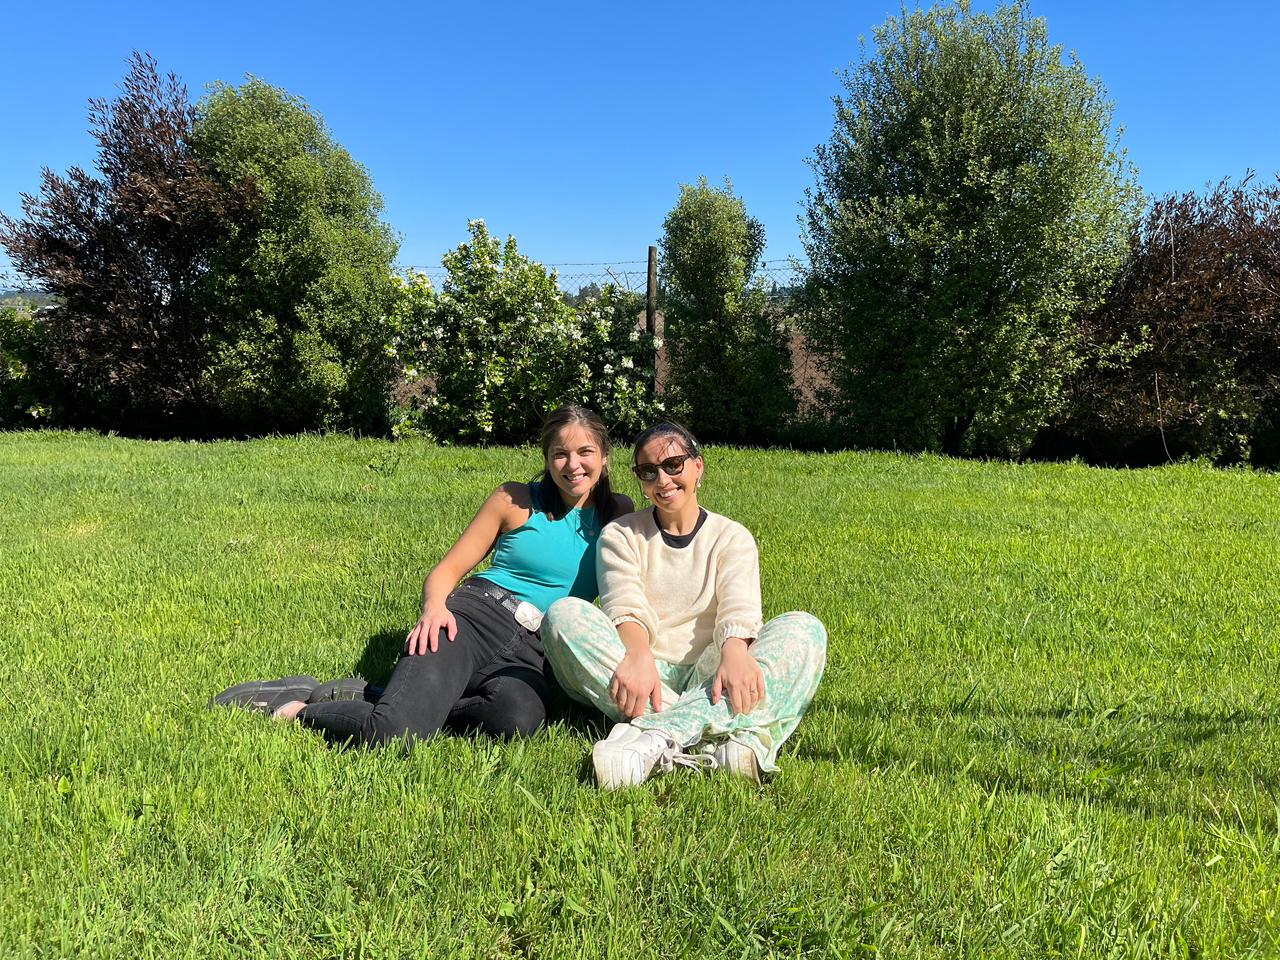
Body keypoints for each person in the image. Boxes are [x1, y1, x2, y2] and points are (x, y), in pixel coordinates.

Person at [213, 404, 632, 744]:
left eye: (584, 453)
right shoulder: (515, 499)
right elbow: (447, 570)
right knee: (394, 733)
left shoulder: (621, 515)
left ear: (604, 457)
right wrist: (434, 609)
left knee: (515, 721)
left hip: (537, 650)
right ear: (546, 458)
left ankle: (378, 696)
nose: (571, 465)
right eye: (560, 453)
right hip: (476, 618)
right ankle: (294, 708)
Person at [540, 421, 827, 788]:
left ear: (698, 467)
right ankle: (730, 739)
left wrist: (735, 654)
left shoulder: (731, 537)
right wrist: (639, 655)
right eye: (648, 471)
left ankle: (654, 738)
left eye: (673, 465)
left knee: (805, 629)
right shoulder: (621, 535)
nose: (663, 480)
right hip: (643, 669)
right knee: (563, 615)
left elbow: (739, 610)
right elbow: (623, 603)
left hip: (713, 670)